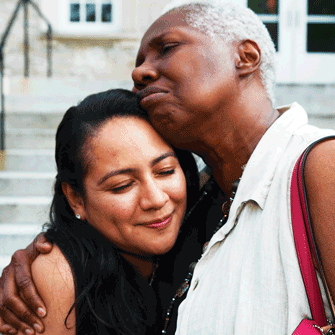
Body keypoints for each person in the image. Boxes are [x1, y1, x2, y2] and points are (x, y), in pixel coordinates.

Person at [1, 1, 335, 334]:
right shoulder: (204, 200)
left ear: (246, 57)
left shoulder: (320, 164)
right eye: (121, 186)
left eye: (167, 48)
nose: (139, 73)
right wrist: (55, 257)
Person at [0, 88, 225, 335]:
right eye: (123, 186)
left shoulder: (211, 221)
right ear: (76, 198)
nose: (156, 199)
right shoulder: (59, 275)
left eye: (165, 171)